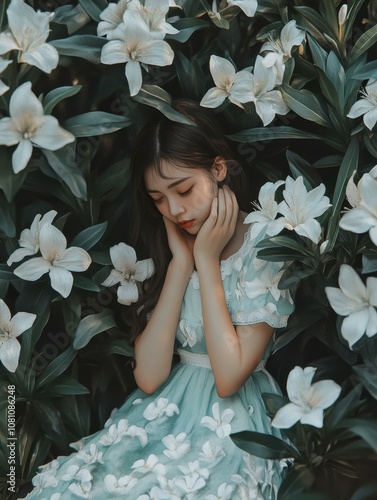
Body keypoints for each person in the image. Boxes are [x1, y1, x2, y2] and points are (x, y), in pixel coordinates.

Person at [25, 101, 294, 499]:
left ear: (218, 170)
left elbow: (228, 377)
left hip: (234, 420)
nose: (174, 210)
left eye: (184, 190)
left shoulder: (265, 247)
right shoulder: (176, 247)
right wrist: (183, 264)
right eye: (158, 199)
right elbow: (149, 376)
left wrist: (206, 257)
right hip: (167, 409)